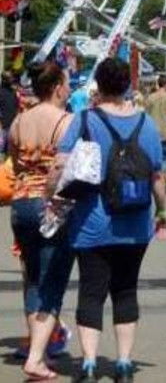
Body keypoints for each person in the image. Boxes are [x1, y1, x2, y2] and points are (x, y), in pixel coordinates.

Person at [50, 57, 166, 383]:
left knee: (90, 291)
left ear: (98, 86)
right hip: (135, 224)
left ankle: (88, 365)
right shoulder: (146, 124)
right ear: (128, 85)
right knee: (126, 291)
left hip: (92, 221)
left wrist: (51, 196)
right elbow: (157, 176)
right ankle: (125, 363)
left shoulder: (85, 118)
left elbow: (60, 165)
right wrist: (163, 212)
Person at [9, 62, 74, 380]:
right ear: (58, 86)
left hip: (20, 204)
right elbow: (71, 167)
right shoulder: (66, 121)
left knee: (32, 277)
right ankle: (37, 355)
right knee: (51, 280)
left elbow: (14, 160)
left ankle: (38, 346)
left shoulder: (20, 120)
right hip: (51, 206)